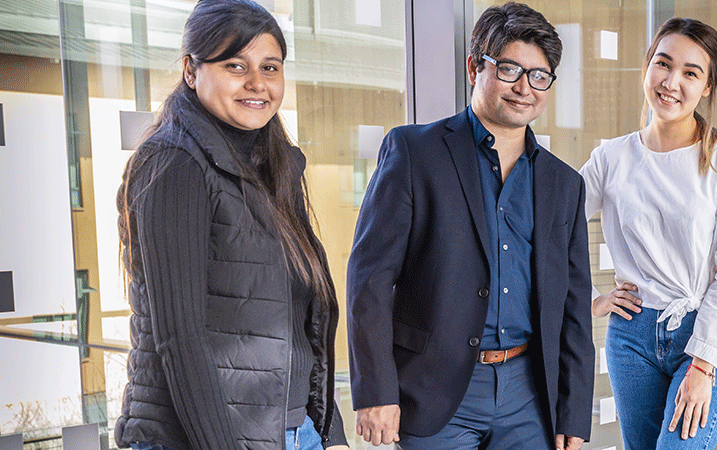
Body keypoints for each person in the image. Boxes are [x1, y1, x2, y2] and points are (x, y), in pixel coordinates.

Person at [346, 3, 594, 450]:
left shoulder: (564, 184)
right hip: (434, 388)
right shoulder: (413, 152)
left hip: (528, 394)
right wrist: (375, 391)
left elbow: (573, 308)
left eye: (539, 76)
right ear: (474, 67)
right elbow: (371, 279)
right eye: (510, 69)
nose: (524, 88)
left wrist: (573, 412)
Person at [114, 1, 348, 449]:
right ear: (190, 69)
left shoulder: (275, 168)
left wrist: (329, 431)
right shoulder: (174, 164)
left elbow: (302, 326)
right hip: (203, 439)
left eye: (270, 66)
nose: (257, 83)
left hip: (294, 433)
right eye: (235, 65)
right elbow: (180, 338)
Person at [579, 17, 717, 450]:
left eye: (691, 72)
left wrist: (702, 364)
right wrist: (589, 300)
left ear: (707, 86)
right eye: (663, 64)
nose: (671, 81)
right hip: (631, 335)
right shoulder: (611, 158)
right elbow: (549, 230)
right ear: (647, 67)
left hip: (704, 332)